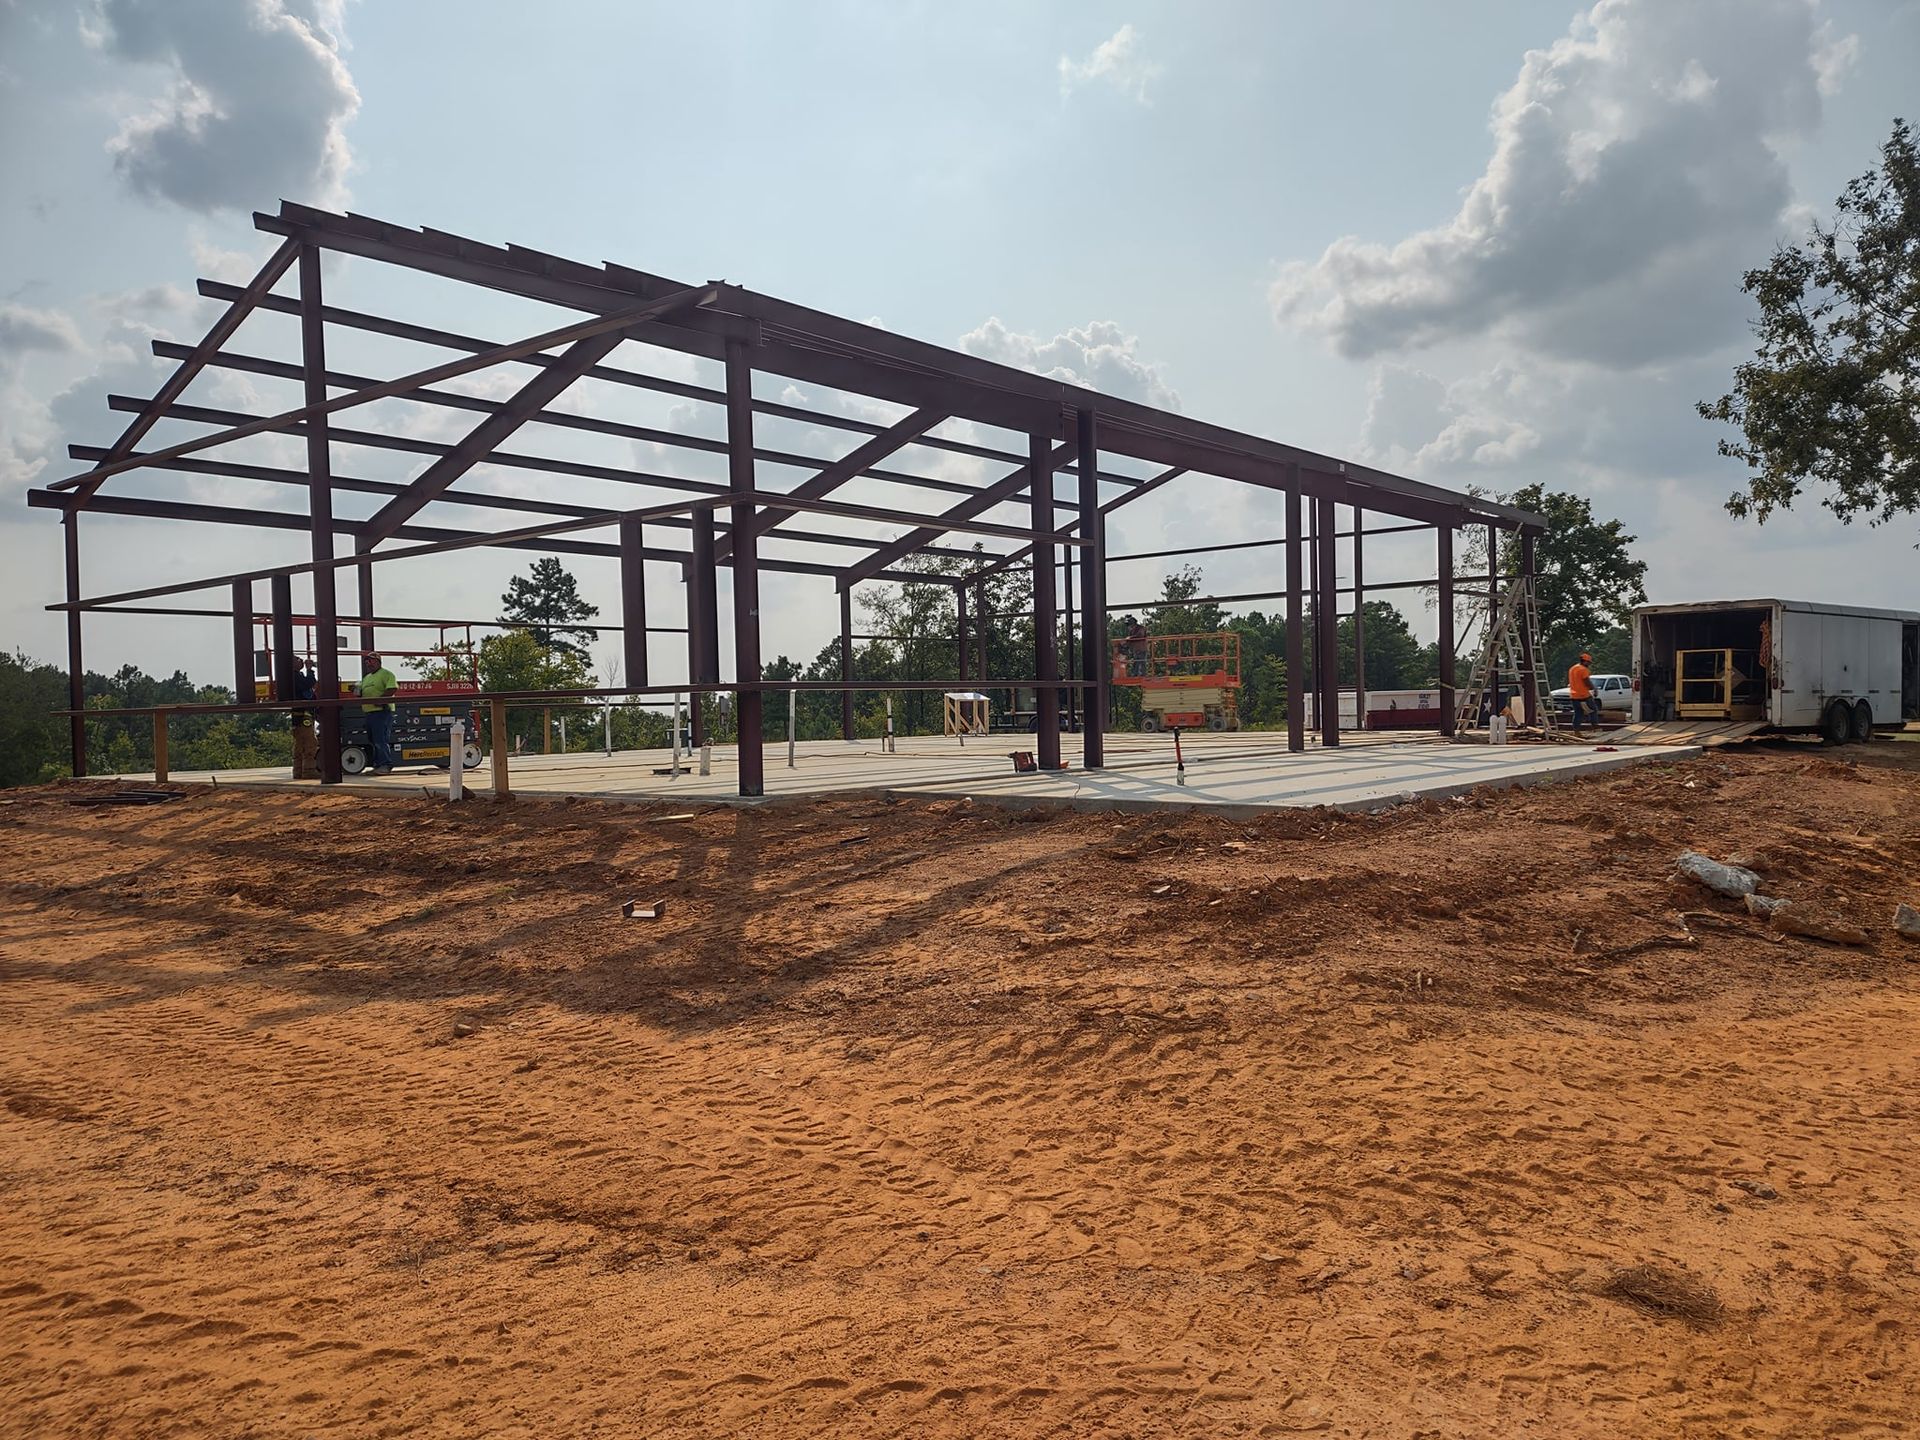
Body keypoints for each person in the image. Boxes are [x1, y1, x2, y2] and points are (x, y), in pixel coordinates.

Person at [358, 653, 400, 774]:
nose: (368, 664)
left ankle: (385, 765)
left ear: (378, 662)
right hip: (370, 712)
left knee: (380, 739)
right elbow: (360, 691)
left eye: (371, 662)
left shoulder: (386, 674)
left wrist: (380, 700)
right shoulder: (366, 678)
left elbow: (392, 688)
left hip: (382, 712)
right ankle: (378, 765)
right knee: (373, 739)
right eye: (367, 663)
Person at [1567, 651, 1599, 732]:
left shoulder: (1572, 668)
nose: (1589, 664)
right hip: (1583, 696)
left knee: (1578, 713)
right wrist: (1594, 689)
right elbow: (1586, 681)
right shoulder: (1583, 670)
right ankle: (1595, 727)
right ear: (1585, 661)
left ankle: (1576, 730)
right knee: (1593, 710)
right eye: (1588, 662)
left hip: (1574, 695)